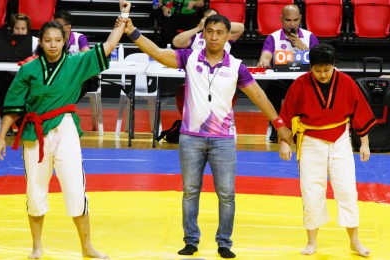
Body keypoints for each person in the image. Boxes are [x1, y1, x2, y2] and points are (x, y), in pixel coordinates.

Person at [117, 14, 293, 258]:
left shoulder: (235, 66)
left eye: (220, 32)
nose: (214, 36)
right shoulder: (189, 58)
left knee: (226, 194)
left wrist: (279, 123)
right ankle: (191, 240)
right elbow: (158, 53)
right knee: (190, 190)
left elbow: (259, 96)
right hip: (190, 138)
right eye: (210, 31)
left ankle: (224, 242)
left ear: (227, 36)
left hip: (223, 140)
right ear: (203, 34)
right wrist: (133, 31)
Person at [0, 1, 131, 258]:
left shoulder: (76, 63)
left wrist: (123, 18)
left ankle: (87, 247)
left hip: (65, 128)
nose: (53, 44)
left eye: (58, 40)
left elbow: (108, 47)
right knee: (34, 192)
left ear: (64, 41)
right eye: (48, 40)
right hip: (34, 134)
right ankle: (36, 247)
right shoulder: (29, 69)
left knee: (76, 190)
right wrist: (2, 137)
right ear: (41, 42)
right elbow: (12, 107)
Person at [278, 43, 376, 257]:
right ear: (310, 68)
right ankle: (312, 242)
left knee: (348, 190)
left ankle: (355, 241)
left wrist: (365, 143)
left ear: (334, 66)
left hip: (340, 139)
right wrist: (285, 141)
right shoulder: (300, 84)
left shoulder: (347, 83)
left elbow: (359, 112)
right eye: (317, 70)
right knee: (311, 191)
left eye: (327, 69)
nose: (322, 75)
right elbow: (287, 115)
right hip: (311, 141)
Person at [256, 4, 319, 142]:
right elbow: (266, 55)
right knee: (271, 90)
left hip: (303, 81)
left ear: (300, 19)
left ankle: (304, 128)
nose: (292, 24)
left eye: (295, 20)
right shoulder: (273, 37)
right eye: (288, 20)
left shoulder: (310, 37)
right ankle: (276, 128)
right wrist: (264, 62)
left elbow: (319, 61)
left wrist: (303, 47)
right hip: (281, 80)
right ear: (281, 19)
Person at [172, 8, 245, 116]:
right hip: (198, 79)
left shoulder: (224, 37)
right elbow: (176, 42)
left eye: (215, 18)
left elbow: (241, 27)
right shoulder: (195, 37)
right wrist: (198, 28)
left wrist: (219, 23)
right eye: (208, 18)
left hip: (221, 78)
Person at [0, 13, 38, 137]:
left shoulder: (36, 42)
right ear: (12, 29)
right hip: (9, 76)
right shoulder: (5, 41)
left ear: (28, 29)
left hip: (27, 79)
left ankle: (22, 122)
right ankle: (4, 120)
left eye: (23, 29)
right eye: (17, 28)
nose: (19, 31)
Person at [53, 10, 99, 101]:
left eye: (58, 25)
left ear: (68, 27)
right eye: (54, 25)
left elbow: (88, 58)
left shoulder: (79, 38)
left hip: (79, 79)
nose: (55, 28)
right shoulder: (52, 40)